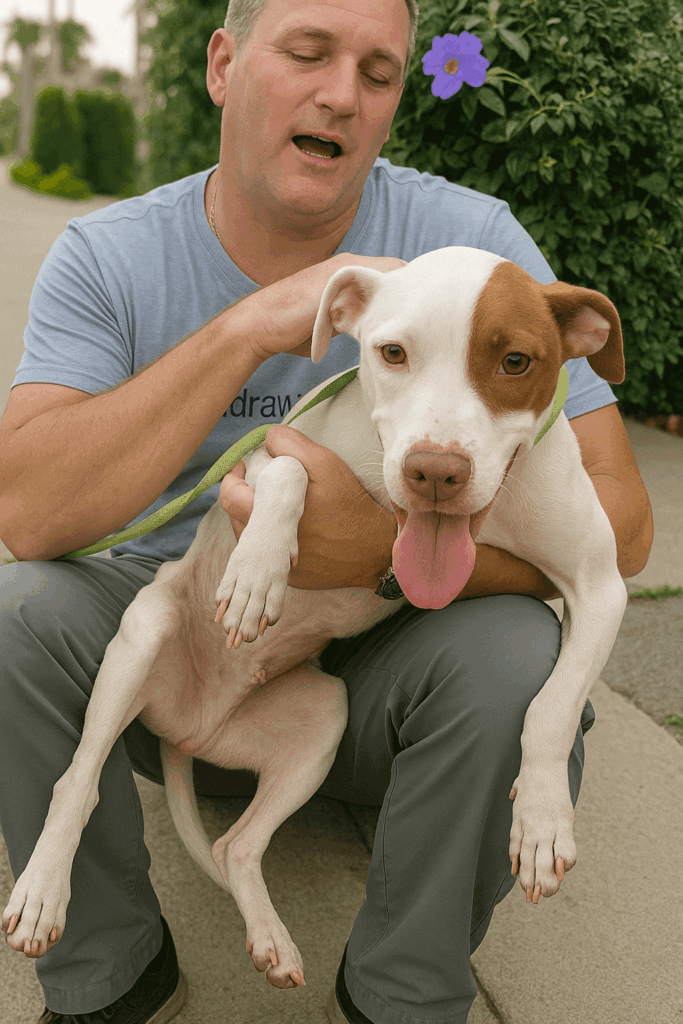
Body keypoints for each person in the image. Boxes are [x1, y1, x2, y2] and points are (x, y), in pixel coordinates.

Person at [0, 0, 653, 1021]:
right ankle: (110, 976)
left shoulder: (473, 244)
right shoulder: (109, 256)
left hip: (370, 681)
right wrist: (253, 326)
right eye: (306, 53)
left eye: (379, 72)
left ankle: (400, 992)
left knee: (514, 649)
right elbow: (27, 513)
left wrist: (376, 561)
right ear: (221, 65)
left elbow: (620, 521)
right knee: (17, 611)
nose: (341, 93)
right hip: (170, 665)